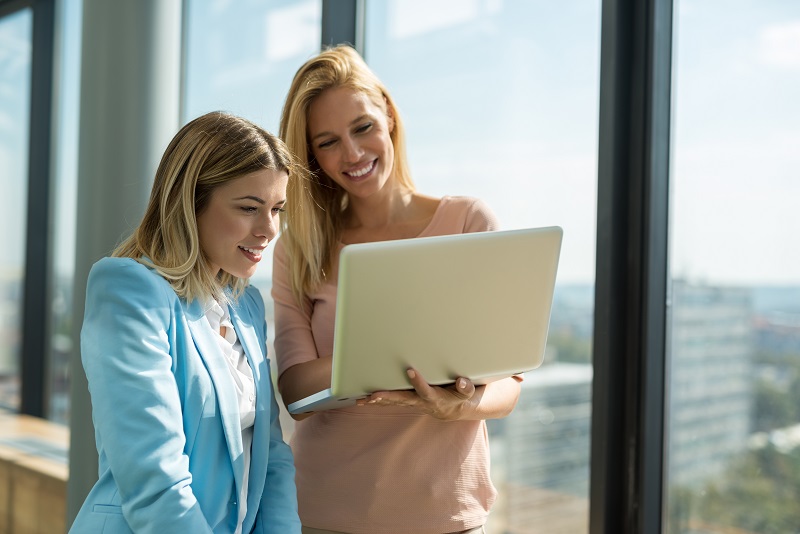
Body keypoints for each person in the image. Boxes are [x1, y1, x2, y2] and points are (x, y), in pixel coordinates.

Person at [272, 45, 523, 534]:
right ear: (311, 157)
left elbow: (509, 385)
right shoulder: (299, 248)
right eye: (327, 142)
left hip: (446, 510)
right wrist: (396, 357)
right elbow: (296, 390)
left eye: (362, 127)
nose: (352, 154)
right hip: (327, 510)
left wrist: (458, 403)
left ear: (388, 115)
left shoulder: (468, 222)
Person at [71, 111, 301, 534]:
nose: (269, 229)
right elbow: (155, 478)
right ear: (190, 202)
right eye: (249, 207)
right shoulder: (127, 289)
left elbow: (271, 457)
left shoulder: (247, 306)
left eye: (277, 209)